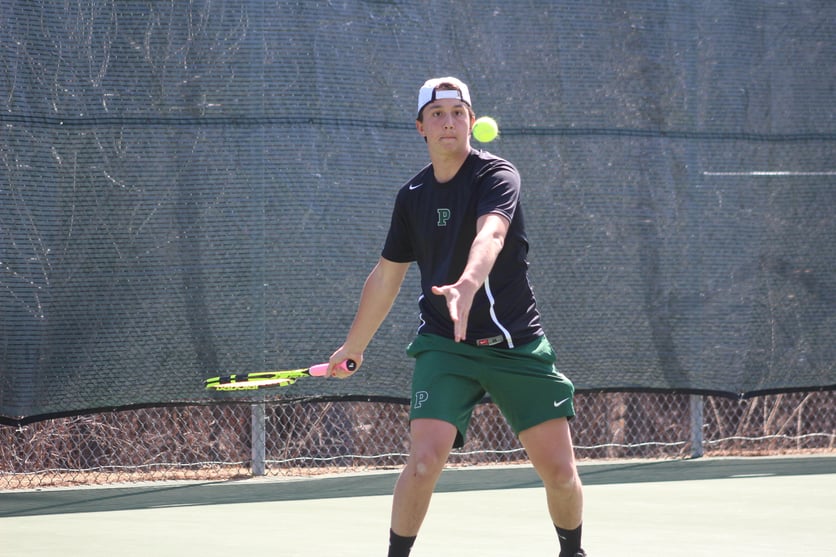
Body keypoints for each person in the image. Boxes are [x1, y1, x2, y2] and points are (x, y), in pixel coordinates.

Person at [327, 76, 586, 557]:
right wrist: (353, 346)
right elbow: (386, 275)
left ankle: (572, 551)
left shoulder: (497, 176)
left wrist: (468, 284)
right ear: (421, 127)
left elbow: (490, 235)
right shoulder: (412, 197)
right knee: (423, 462)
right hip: (445, 347)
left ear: (471, 121)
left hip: (516, 344)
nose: (450, 122)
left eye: (458, 112)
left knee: (560, 474)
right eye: (439, 113)